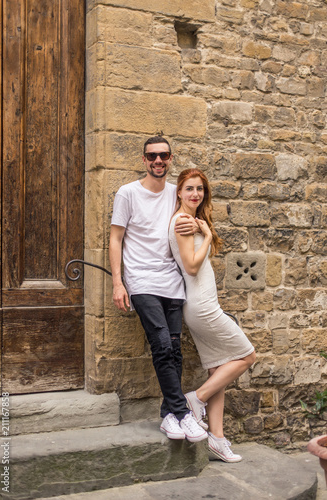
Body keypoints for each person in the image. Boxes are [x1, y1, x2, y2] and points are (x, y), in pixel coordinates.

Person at [109, 136, 208, 443]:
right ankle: (183, 412)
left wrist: (199, 228)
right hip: (141, 281)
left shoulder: (175, 194)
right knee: (162, 344)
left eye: (163, 155)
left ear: (170, 158)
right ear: (144, 159)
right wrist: (117, 282)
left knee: (175, 350)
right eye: (152, 156)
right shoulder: (127, 193)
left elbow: (188, 221)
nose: (158, 161)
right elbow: (116, 238)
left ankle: (168, 415)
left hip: (173, 284)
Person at [169, 168, 256, 462]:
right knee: (246, 356)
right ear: (179, 192)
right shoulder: (183, 222)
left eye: (200, 189)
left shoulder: (193, 220)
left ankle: (216, 440)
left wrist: (203, 229)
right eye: (190, 188)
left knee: (219, 368)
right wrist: (206, 235)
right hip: (202, 306)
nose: (195, 194)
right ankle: (195, 399)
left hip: (200, 304)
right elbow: (191, 266)